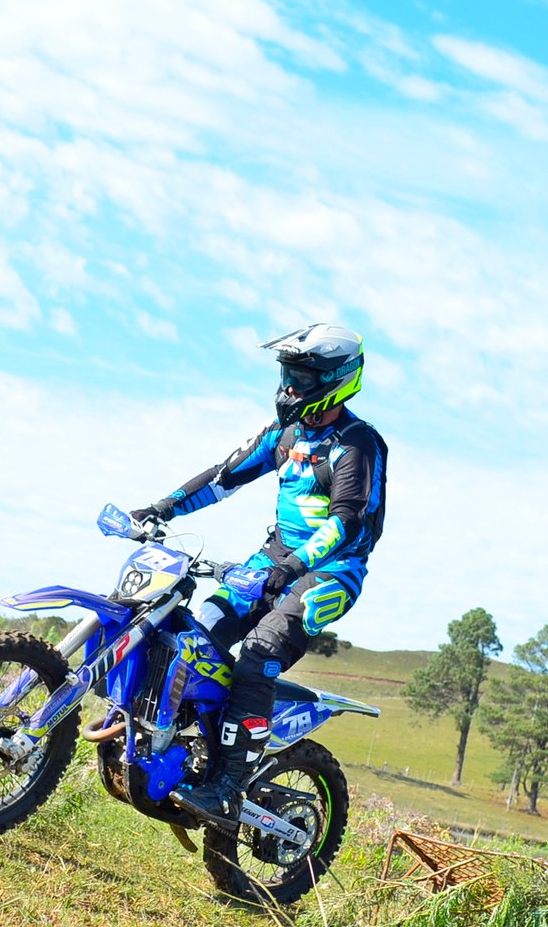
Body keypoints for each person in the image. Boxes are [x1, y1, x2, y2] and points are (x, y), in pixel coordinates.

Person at [130, 323, 388, 822]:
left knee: (259, 652)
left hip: (331, 572)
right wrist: (161, 508)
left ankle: (229, 785)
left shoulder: (358, 443)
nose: (289, 388)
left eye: (301, 378)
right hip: (275, 559)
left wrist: (291, 567)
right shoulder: (285, 434)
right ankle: (180, 741)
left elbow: (347, 520)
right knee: (195, 631)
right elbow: (222, 478)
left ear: (335, 380)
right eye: (287, 375)